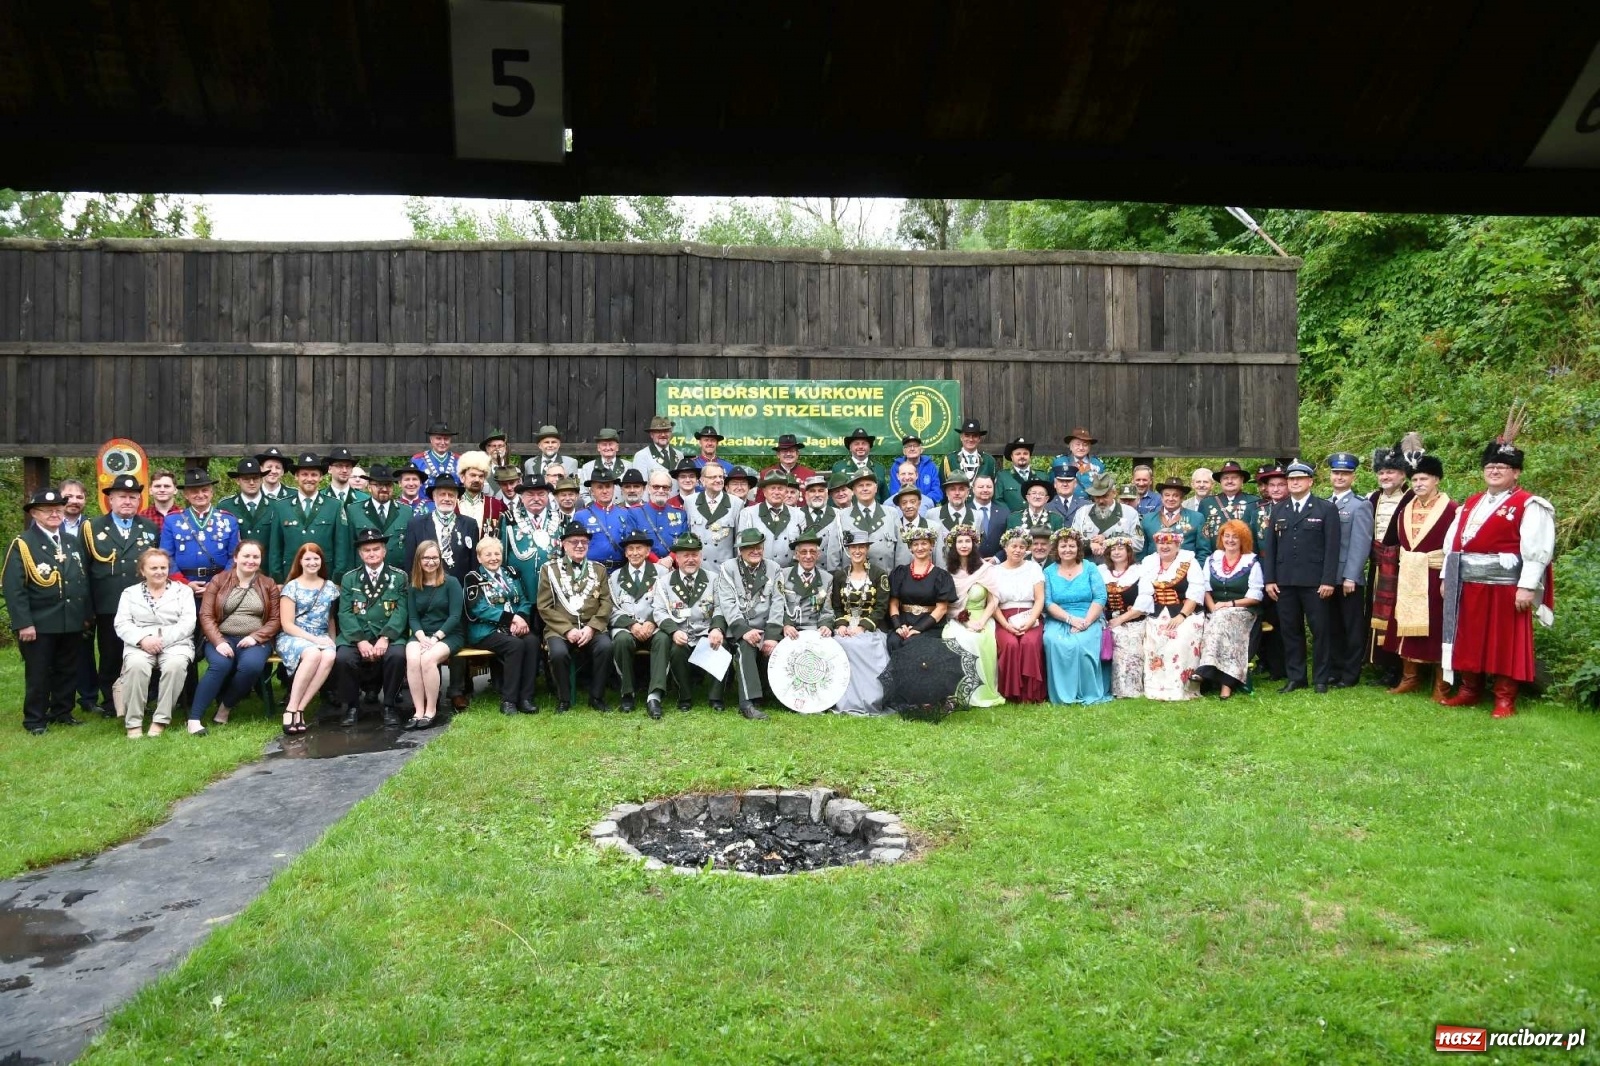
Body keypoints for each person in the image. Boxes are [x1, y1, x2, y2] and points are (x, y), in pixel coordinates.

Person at [1439, 415, 1555, 718]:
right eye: (1490, 467)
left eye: (1501, 467)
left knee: (1505, 642)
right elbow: (1453, 543)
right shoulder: (1472, 502)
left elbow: (1537, 550)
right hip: (1469, 584)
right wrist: (1446, 577)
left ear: (1515, 473)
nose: (1494, 471)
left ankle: (1505, 698)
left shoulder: (1529, 505)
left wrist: (1527, 586)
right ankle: (1469, 690)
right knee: (1469, 638)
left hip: (1507, 588)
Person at [5, 489, 93, 734]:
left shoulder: (70, 541)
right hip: (40, 622)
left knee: (68, 669)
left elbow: (81, 579)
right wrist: (23, 623)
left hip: (71, 619)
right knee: (39, 672)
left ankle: (62, 712)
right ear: (34, 513)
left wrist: (85, 615)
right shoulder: (22, 544)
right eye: (47, 510)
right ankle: (34, 718)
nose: (55, 514)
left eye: (58, 509)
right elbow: (14, 588)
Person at [1380, 453, 1457, 700]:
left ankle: (1441, 685)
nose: (1418, 484)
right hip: (1410, 573)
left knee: (1437, 627)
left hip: (1436, 574)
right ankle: (1410, 677)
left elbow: (1455, 547)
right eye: (1414, 479)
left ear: (1437, 480)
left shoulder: (1452, 510)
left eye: (1424, 478)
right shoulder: (1405, 509)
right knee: (1403, 623)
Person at [82, 473, 160, 717]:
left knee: (145, 651)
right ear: (110, 500)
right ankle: (111, 702)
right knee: (111, 653)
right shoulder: (92, 528)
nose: (128, 501)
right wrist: (87, 607)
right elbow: (82, 570)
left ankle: (143, 698)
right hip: (108, 603)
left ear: (139, 500)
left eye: (133, 497)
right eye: (122, 497)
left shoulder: (148, 528)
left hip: (143, 604)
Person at [1260, 460, 1341, 693]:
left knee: (1320, 631)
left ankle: (1321, 678)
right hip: (1285, 581)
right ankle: (1296, 676)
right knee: (1290, 630)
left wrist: (1328, 580)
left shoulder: (1325, 509)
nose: (1294, 483)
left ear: (1310, 482)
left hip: (1315, 582)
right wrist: (1270, 580)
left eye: (1300, 479)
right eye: (1291, 479)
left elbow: (1332, 548)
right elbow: (1271, 548)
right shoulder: (1279, 509)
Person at [188, 540, 279, 733]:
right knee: (220, 665)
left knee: (251, 666)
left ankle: (225, 707)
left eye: (256, 557)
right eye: (246, 556)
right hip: (222, 637)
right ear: (236, 557)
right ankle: (194, 719)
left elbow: (275, 619)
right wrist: (219, 641)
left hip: (256, 640)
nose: (251, 560)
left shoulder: (268, 584)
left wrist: (256, 637)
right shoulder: (219, 581)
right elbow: (206, 615)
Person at [112, 547, 195, 738]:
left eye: (163, 568)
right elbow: (122, 623)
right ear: (142, 571)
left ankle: (160, 720)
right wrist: (142, 640)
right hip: (140, 644)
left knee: (175, 665)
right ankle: (133, 722)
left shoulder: (183, 591)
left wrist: (162, 641)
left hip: (175, 643)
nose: (159, 572)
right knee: (135, 665)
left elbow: (188, 623)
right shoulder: (129, 593)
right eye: (153, 568)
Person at [643, 532, 726, 718]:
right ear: (677, 558)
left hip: (705, 631)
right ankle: (685, 697)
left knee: (722, 644)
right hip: (680, 632)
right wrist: (673, 632)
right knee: (677, 650)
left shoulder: (713, 579)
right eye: (685, 555)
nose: (690, 559)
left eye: (694, 554)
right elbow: (659, 611)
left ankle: (716, 698)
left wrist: (716, 628)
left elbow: (721, 607)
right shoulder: (664, 582)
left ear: (701, 556)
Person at [333, 528, 410, 726]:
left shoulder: (399, 577)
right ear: (360, 554)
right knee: (343, 658)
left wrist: (386, 637)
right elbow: (345, 612)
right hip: (358, 636)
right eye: (367, 550)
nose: (372, 553)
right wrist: (360, 641)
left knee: (397, 656)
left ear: (384, 552)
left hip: (388, 635)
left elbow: (401, 610)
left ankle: (390, 705)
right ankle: (351, 706)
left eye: (376, 549)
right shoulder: (350, 578)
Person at [537, 520, 616, 712]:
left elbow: (606, 602)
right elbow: (544, 606)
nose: (580, 545)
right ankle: (564, 699)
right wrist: (568, 629)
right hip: (560, 628)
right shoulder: (550, 569)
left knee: (605, 647)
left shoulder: (599, 570)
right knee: (557, 653)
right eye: (574, 542)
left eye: (584, 542)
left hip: (592, 627)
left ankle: (596, 697)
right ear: (564, 545)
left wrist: (592, 627)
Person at [465, 538, 542, 717]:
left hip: (515, 626)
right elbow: (479, 609)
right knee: (515, 645)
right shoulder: (473, 578)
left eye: (497, 554)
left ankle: (526, 698)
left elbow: (523, 599)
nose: (493, 558)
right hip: (485, 630)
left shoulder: (511, 573)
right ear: (479, 557)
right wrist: (511, 619)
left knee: (532, 641)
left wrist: (521, 618)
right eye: (488, 554)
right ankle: (509, 700)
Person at [1366, 437, 1417, 687]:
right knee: (1375, 615)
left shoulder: (1411, 499)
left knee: (1395, 617)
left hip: (1402, 567)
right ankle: (1380, 664)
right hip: (1376, 565)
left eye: (1392, 471)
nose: (1386, 476)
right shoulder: (1371, 498)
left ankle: (1397, 667)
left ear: (1403, 475)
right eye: (1382, 472)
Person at [1194, 520, 1264, 699]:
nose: (1230, 540)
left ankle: (1206, 671)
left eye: (1236, 537)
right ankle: (1226, 685)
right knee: (1216, 622)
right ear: (1221, 538)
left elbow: (1255, 597)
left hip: (1243, 611)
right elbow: (1205, 589)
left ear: (1243, 540)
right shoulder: (1213, 559)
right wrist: (1213, 609)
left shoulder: (1251, 562)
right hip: (1216, 610)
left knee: (1224, 620)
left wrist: (1229, 605)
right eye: (1227, 536)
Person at [275, 542, 339, 735]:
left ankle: (301, 707)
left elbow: (330, 620)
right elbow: (287, 624)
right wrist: (315, 640)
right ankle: (291, 708)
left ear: (322, 561)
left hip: (320, 636)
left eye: (316, 558)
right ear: (300, 561)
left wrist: (332, 642)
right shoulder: (291, 587)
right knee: (312, 654)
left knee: (328, 656)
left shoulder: (330, 588)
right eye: (308, 558)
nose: (312, 562)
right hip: (294, 636)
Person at [715, 528, 778, 719]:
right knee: (745, 646)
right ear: (740, 550)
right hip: (738, 627)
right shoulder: (728, 568)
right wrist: (744, 630)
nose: (755, 551)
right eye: (749, 547)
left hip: (766, 628)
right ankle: (747, 704)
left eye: (758, 547)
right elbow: (727, 603)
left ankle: (775, 696)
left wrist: (773, 636)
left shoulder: (774, 568)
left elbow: (778, 602)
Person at [400, 539, 464, 729]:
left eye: (434, 557)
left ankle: (431, 710)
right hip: (421, 633)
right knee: (412, 659)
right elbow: (412, 618)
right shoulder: (413, 586)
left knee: (427, 659)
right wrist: (421, 638)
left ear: (440, 559)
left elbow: (455, 616)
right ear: (419, 560)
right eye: (426, 558)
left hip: (448, 633)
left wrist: (435, 638)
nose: (430, 562)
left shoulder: (451, 583)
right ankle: (418, 711)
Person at [1042, 529, 1110, 704]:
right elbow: (1048, 603)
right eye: (1063, 546)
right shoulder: (1048, 572)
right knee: (1055, 641)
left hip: (1089, 616)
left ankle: (1087, 691)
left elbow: (1100, 597)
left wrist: (1086, 622)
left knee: (1081, 644)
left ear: (1078, 547)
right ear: (1056, 549)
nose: (1067, 549)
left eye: (1071, 546)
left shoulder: (1090, 568)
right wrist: (1070, 619)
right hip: (1060, 618)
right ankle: (1063, 693)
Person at [1136, 528, 1205, 701]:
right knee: (1153, 639)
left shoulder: (1189, 561)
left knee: (1178, 639)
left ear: (1177, 544)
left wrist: (1181, 616)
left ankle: (1180, 688)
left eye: (1169, 543)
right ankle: (1156, 688)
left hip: (1185, 612)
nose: (1164, 546)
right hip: (1157, 613)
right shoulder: (1149, 562)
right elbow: (1144, 594)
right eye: (1161, 542)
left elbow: (1195, 593)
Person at [829, 530, 893, 715]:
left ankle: (869, 699)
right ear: (848, 550)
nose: (857, 551)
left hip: (870, 628)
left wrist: (862, 627)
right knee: (839, 644)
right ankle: (842, 699)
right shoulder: (840, 576)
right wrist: (841, 625)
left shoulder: (878, 574)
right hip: (846, 627)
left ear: (867, 549)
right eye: (853, 547)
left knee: (863, 645)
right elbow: (837, 606)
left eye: (861, 547)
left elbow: (881, 606)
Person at [941, 525, 1004, 707]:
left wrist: (982, 621)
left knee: (978, 640)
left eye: (967, 541)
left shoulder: (985, 569)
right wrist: (966, 622)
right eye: (960, 541)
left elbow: (993, 601)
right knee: (952, 637)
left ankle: (981, 692)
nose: (964, 545)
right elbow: (948, 605)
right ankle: (957, 692)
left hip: (982, 616)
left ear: (974, 544)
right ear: (953, 545)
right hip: (957, 616)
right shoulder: (948, 572)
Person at [1325, 452, 1374, 687]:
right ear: (1330, 475)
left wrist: (1351, 576)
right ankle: (1334, 669)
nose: (1340, 477)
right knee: (1331, 626)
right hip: (1327, 578)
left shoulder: (1360, 505)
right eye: (1336, 473)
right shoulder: (1324, 503)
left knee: (1352, 628)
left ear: (1353, 477)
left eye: (1345, 473)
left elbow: (1360, 544)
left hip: (1348, 578)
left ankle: (1350, 674)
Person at [162, 467, 241, 593]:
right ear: (186, 495)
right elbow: (166, 557)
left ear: (212, 492)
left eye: (205, 490)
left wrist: (218, 583)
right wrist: (184, 584)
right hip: (181, 587)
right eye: (194, 491)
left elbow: (235, 557)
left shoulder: (228, 520)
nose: (200, 495)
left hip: (220, 587)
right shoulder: (172, 521)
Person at [608, 530, 663, 712]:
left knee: (663, 640)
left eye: (639, 548)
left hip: (653, 624)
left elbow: (669, 603)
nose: (634, 553)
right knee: (621, 641)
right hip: (626, 626)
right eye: (630, 549)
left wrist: (652, 621)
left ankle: (654, 695)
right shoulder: (615, 577)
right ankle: (627, 693)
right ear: (625, 553)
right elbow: (611, 608)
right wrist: (631, 625)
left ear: (648, 552)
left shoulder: (661, 573)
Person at [271, 452, 347, 581]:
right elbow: (275, 547)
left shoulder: (334, 505)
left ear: (321, 477)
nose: (309, 478)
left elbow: (341, 546)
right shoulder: (281, 506)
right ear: (296, 476)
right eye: (304, 474)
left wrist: (338, 579)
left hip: (324, 575)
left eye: (314, 475)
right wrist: (277, 579)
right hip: (290, 575)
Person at [991, 527, 1046, 703]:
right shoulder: (995, 571)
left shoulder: (1033, 568)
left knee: (1029, 642)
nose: (1017, 550)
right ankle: (1011, 693)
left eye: (1022, 547)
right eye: (1013, 546)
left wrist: (1030, 622)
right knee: (1010, 644)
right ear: (1005, 548)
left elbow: (1039, 599)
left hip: (1030, 614)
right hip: (1004, 617)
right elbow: (993, 604)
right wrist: (1006, 625)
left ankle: (1031, 693)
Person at [887, 526, 955, 652]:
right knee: (894, 641)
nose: (920, 548)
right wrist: (898, 626)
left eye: (924, 543)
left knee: (916, 643)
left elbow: (942, 608)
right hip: (904, 623)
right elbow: (893, 603)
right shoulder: (900, 573)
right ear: (910, 548)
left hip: (929, 626)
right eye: (915, 544)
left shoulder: (941, 576)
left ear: (931, 546)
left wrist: (918, 628)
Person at [1251, 464, 1289, 682]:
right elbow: (1252, 541)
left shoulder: (1292, 507)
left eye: (1281, 484)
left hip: (1287, 570)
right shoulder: (1258, 509)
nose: (1276, 489)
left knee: (1285, 619)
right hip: (1263, 567)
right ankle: (1266, 662)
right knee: (1264, 618)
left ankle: (1284, 665)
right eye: (1272, 485)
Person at [1098, 535, 1146, 698]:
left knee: (1128, 641)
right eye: (1113, 549)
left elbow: (1143, 604)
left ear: (1128, 551)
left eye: (1120, 548)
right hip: (1106, 621)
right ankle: (1105, 687)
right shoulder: (1101, 572)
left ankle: (1128, 690)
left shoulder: (1139, 571)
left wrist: (1120, 620)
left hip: (1133, 621)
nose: (1116, 552)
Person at [826, 470, 897, 573]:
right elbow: (834, 553)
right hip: (851, 583)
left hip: (886, 580)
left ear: (876, 488)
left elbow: (901, 552)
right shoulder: (841, 516)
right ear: (853, 490)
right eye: (860, 485)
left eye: (868, 485)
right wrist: (837, 581)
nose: (864, 489)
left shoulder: (891, 514)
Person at [342, 464, 411, 571]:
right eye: (379, 485)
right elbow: (348, 547)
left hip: (397, 576)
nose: (384, 489)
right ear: (369, 487)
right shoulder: (354, 510)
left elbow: (410, 547)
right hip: (363, 574)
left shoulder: (406, 511)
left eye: (388, 485)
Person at [218, 458, 279, 578]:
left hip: (267, 571)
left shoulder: (276, 505)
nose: (251, 482)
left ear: (261, 479)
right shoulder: (225, 506)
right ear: (238, 480)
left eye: (255, 478)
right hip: (237, 572)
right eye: (246, 479)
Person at [1072, 472, 1144, 566]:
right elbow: (1072, 541)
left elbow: (1138, 544)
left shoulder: (1130, 513)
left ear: (1114, 493)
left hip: (1118, 569)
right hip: (1087, 567)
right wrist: (1089, 544)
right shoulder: (1082, 513)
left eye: (1105, 496)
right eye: (1097, 497)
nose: (1101, 501)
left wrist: (1109, 541)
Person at [737, 471, 804, 569]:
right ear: (764, 491)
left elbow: (802, 547)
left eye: (780, 488)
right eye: (772, 488)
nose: (776, 492)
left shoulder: (799, 515)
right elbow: (741, 548)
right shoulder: (748, 513)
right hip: (758, 572)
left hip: (789, 573)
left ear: (785, 491)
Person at [685, 462, 743, 569]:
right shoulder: (690, 501)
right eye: (713, 477)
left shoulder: (736, 503)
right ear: (702, 480)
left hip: (724, 568)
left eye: (721, 476)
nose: (718, 480)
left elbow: (738, 540)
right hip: (698, 567)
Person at [574, 469, 633, 572]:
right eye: (600, 487)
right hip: (592, 571)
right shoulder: (581, 516)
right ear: (592, 491)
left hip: (620, 571)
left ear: (614, 488)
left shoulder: (625, 513)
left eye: (608, 486)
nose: (605, 491)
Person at [1139, 478, 1205, 562]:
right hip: (1153, 571)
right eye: (1167, 495)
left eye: (1175, 495)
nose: (1171, 499)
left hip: (1186, 571)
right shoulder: (1147, 519)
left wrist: (1196, 571)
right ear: (1161, 498)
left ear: (1182, 498)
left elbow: (1203, 551)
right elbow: (1141, 550)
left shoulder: (1197, 518)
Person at [1197, 461, 1259, 548]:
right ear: (1220, 481)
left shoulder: (1255, 502)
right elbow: (1202, 536)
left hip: (1245, 557)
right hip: (1215, 557)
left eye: (1234, 478)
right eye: (1225, 478)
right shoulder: (1206, 503)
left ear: (1242, 480)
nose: (1229, 481)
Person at [633, 470, 690, 563]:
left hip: (672, 567)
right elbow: (633, 543)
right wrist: (657, 561)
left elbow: (684, 541)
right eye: (656, 487)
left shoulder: (681, 514)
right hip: (646, 567)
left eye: (665, 487)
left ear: (670, 489)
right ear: (648, 488)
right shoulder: (635, 513)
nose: (661, 490)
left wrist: (670, 558)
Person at [454, 450, 506, 538]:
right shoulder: (452, 504)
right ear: (462, 478)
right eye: (473, 475)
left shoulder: (496, 505)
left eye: (481, 476)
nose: (477, 480)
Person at [892, 487, 946, 566]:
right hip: (900, 576)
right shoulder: (894, 527)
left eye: (913, 502)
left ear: (919, 503)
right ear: (899, 506)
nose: (908, 506)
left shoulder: (934, 527)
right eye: (904, 503)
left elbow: (939, 561)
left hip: (928, 576)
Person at [578, 428, 633, 501]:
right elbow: (583, 493)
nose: (608, 448)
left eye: (611, 444)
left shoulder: (629, 466)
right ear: (598, 448)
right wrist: (592, 507)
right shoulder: (587, 468)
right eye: (604, 444)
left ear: (617, 447)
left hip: (623, 510)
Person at [830, 427, 886, 497]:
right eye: (856, 444)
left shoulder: (879, 468)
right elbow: (833, 495)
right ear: (850, 448)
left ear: (869, 447)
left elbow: (884, 496)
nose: (860, 447)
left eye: (864, 444)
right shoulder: (839, 467)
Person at [940, 418, 998, 484]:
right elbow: (942, 486)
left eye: (975, 436)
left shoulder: (989, 461)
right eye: (967, 435)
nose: (971, 439)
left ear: (979, 439)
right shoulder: (949, 460)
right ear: (961, 437)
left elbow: (994, 487)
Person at [411, 421, 460, 492]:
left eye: (446, 439)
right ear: (431, 440)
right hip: (425, 502)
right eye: (438, 438)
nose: (442, 442)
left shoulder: (459, 460)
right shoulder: (418, 460)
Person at [633, 416, 686, 480]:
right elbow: (641, 487)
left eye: (666, 431)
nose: (663, 435)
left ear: (671, 433)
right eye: (658, 431)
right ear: (651, 435)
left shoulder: (679, 455)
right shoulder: (641, 456)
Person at [896, 435, 944, 505]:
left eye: (915, 446)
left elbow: (937, 492)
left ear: (921, 449)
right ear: (904, 451)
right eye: (909, 446)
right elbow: (894, 492)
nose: (912, 449)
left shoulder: (930, 466)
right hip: (904, 507)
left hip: (927, 507)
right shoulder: (897, 466)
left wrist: (921, 503)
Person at [972, 474, 1010, 559]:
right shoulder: (965, 511)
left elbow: (1010, 541)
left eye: (989, 487)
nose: (985, 490)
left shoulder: (1005, 512)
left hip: (999, 565)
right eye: (981, 487)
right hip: (971, 564)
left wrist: (997, 559)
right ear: (973, 489)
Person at [994, 437, 1036, 513]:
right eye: (1018, 454)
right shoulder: (1003, 477)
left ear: (1030, 456)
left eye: (1025, 453)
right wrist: (1012, 518)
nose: (1022, 456)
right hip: (1011, 521)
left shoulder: (1042, 476)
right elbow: (998, 500)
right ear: (1012, 457)